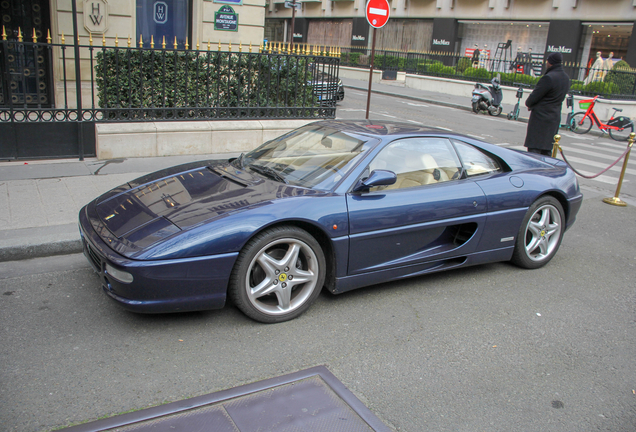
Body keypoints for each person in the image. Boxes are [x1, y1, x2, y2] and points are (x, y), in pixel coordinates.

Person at [523, 52, 571, 156]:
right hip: (554, 117)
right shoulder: (566, 78)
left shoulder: (548, 78)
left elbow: (534, 97)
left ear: (550, 62)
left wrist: (529, 104)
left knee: (535, 151)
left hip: (541, 119)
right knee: (547, 150)